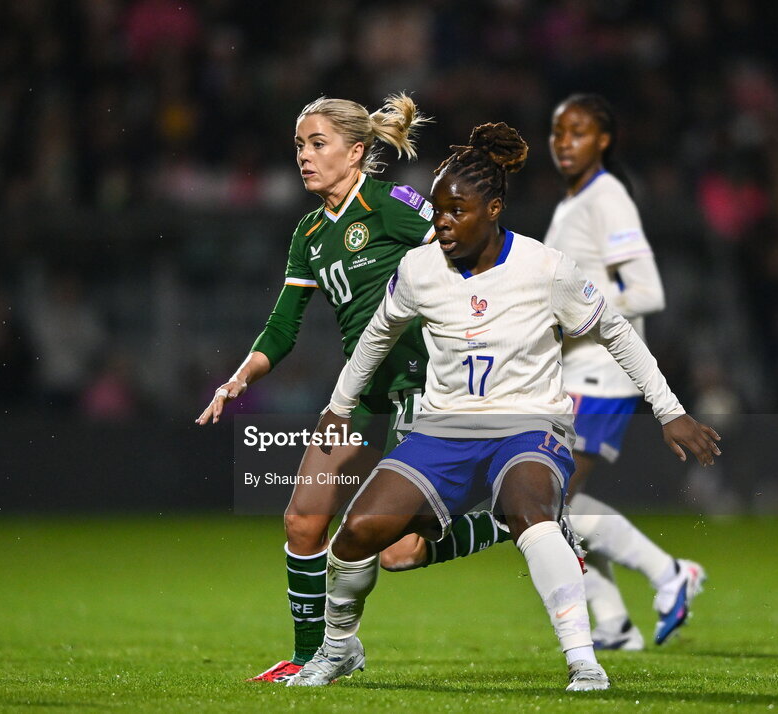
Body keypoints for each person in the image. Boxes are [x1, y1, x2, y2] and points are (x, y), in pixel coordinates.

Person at [288, 123, 721, 691]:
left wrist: (670, 411)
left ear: (493, 209)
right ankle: (338, 649)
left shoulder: (546, 269)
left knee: (531, 515)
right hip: (441, 432)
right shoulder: (420, 271)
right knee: (358, 535)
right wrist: (338, 406)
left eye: (457, 211)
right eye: (438, 210)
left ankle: (583, 661)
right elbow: (376, 337)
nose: (441, 222)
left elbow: (615, 330)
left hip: (528, 427)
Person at [195, 94, 510, 682]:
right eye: (298, 146)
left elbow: (472, 254)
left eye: (318, 144)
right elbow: (283, 326)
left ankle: (509, 519)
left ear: (357, 151)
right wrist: (239, 377)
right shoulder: (310, 232)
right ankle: (314, 655)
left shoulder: (392, 206)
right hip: (360, 393)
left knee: (396, 554)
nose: (304, 157)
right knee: (302, 520)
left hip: (427, 384)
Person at [546, 93, 706, 649]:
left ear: (604, 140)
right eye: (559, 131)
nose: (565, 141)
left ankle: (667, 575)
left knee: (547, 502)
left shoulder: (607, 195)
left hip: (599, 374)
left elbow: (646, 290)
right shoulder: (573, 203)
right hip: (573, 375)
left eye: (579, 131)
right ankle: (613, 622)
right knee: (548, 505)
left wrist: (574, 319)